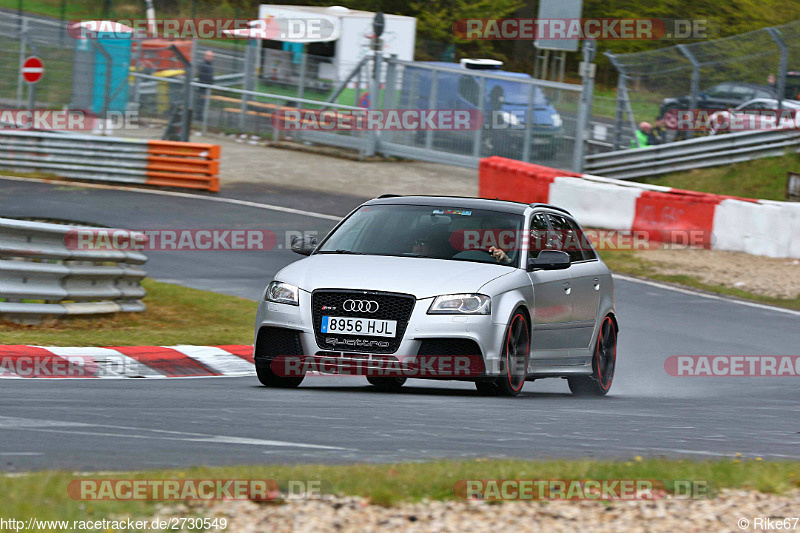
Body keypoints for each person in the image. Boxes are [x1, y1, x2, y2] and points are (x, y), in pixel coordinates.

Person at [195, 50, 214, 120]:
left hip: (206, 87)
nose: (211, 58)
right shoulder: (203, 64)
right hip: (202, 87)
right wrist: (206, 84)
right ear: (205, 56)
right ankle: (199, 117)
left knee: (203, 103)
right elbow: (202, 76)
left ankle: (201, 116)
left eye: (211, 56)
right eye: (209, 56)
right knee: (201, 103)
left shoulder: (209, 64)